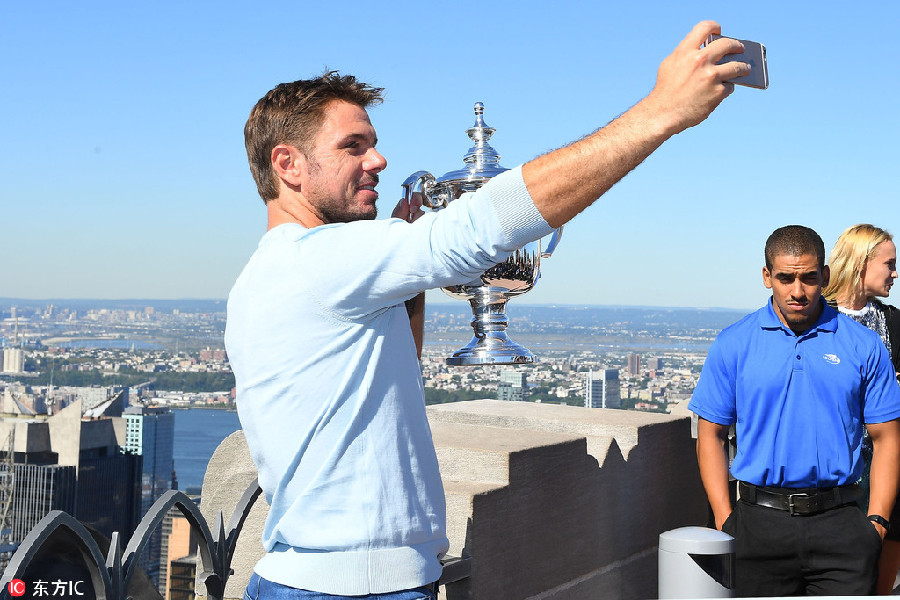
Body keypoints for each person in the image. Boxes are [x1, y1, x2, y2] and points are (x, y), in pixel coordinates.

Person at [226, 20, 749, 600]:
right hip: (354, 590)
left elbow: (389, 368)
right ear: (288, 164)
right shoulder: (319, 259)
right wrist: (662, 111)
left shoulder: (267, 276)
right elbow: (475, 231)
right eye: (352, 146)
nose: (377, 159)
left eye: (372, 142)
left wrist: (407, 265)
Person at [689, 225, 900, 597]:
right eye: (785, 278)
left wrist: (876, 524)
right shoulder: (734, 343)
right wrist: (726, 521)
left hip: (842, 525)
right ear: (767, 276)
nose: (798, 291)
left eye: (809, 278)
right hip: (757, 526)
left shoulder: (864, 346)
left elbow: (887, 439)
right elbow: (711, 435)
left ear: (826, 276)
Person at [823, 223, 900, 594]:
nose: (895, 273)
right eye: (889, 264)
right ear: (861, 263)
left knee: (878, 588)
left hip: (886, 471)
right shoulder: (816, 318)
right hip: (831, 478)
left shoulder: (895, 324)